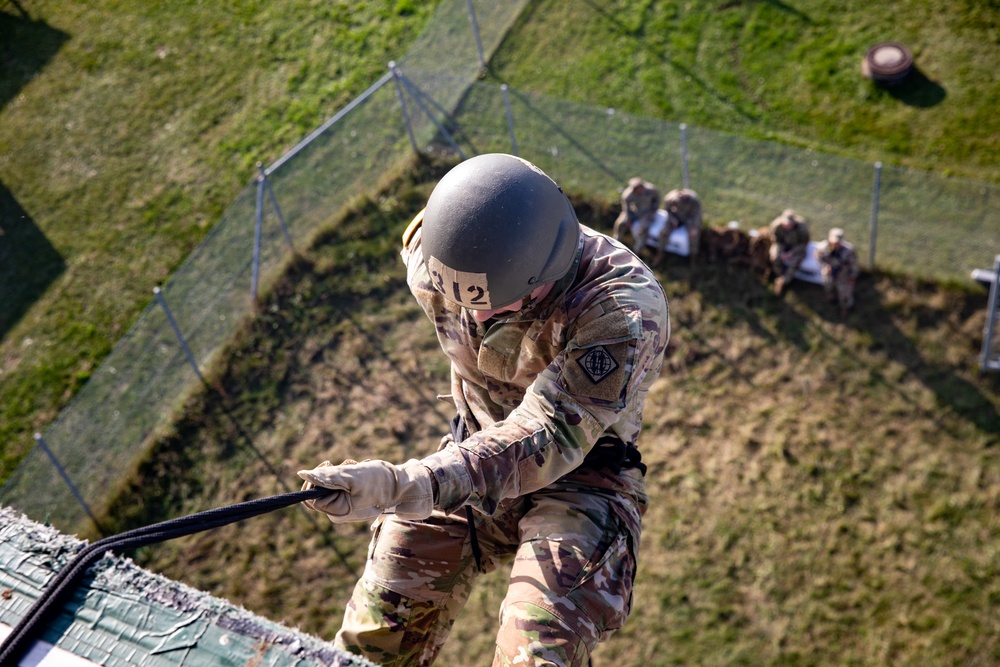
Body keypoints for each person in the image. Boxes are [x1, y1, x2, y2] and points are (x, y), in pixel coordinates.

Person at [298, 153, 670, 667]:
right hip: (469, 459)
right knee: (372, 638)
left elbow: (549, 433)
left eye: (500, 302)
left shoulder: (620, 311)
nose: (475, 315)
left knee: (537, 649)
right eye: (464, 299)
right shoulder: (433, 261)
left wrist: (407, 484)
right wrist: (420, 483)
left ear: (547, 272)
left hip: (583, 482)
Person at [816, 227, 859, 319]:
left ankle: (844, 308)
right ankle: (831, 297)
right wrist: (825, 266)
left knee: (845, 294)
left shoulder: (848, 251)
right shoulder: (823, 247)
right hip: (829, 273)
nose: (835, 244)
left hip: (843, 275)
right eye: (833, 242)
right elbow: (818, 257)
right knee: (828, 286)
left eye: (837, 242)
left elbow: (854, 265)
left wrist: (852, 277)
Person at [612, 176, 661, 257]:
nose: (641, 189)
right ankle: (616, 242)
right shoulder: (628, 195)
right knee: (620, 223)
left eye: (641, 187)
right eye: (638, 188)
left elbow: (657, 199)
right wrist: (629, 218)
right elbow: (626, 208)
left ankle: (637, 250)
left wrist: (653, 210)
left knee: (643, 229)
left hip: (646, 212)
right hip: (634, 211)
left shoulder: (651, 190)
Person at [768, 208, 811, 295]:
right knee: (775, 256)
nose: (787, 226)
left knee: (795, 262)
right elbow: (776, 240)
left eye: (790, 224)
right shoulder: (776, 226)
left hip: (796, 247)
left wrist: (791, 253)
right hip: (783, 245)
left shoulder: (802, 228)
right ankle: (779, 275)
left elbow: (804, 243)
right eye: (785, 224)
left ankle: (784, 281)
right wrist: (782, 251)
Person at [662, 188, 702, 263]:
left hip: (689, 218)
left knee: (694, 236)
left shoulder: (694, 200)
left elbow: (697, 215)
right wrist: (672, 219)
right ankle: (660, 253)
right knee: (664, 232)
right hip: (676, 216)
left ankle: (693, 257)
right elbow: (667, 210)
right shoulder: (671, 198)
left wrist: (695, 227)